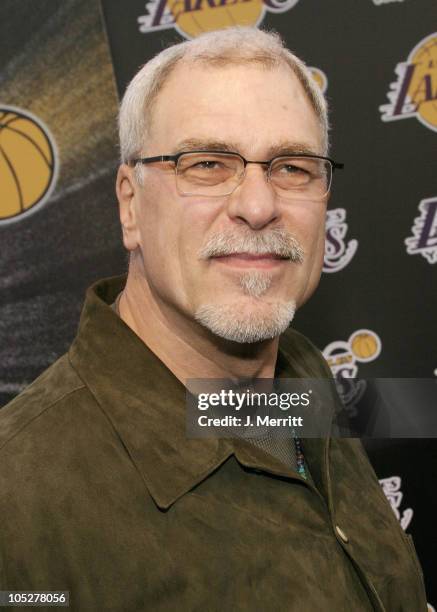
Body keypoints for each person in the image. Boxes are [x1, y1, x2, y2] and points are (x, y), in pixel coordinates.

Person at [0, 27, 427, 611]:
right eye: (207, 164)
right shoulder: (17, 502)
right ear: (130, 203)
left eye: (293, 167)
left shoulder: (302, 377)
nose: (257, 205)